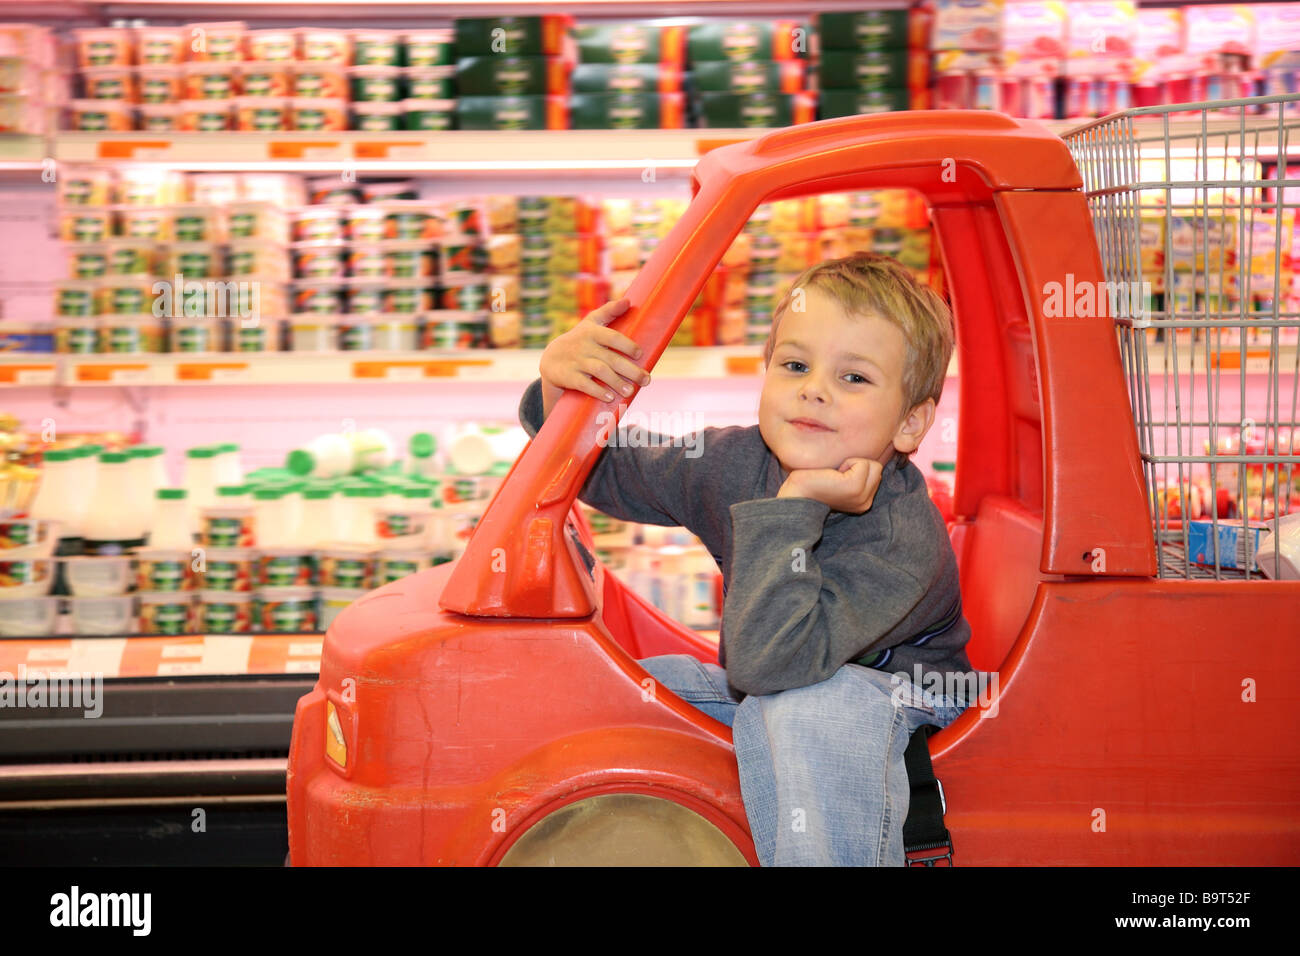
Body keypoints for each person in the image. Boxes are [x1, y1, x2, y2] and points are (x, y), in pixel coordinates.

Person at [516, 251, 973, 866]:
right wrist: (560, 386)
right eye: (794, 365)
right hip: (772, 681)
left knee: (815, 709)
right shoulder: (733, 461)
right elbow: (608, 470)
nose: (814, 389)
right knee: (624, 691)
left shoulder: (897, 536)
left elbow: (776, 668)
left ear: (912, 424)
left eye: (854, 378)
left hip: (907, 702)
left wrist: (798, 503)